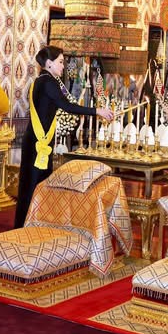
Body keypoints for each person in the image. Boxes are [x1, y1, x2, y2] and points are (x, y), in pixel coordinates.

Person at [14, 46, 114, 228]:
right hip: (39, 143)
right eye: (60, 62)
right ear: (49, 63)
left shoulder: (42, 80)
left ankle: (32, 224)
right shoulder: (48, 82)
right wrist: (97, 111)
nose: (63, 66)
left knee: (35, 185)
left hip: (37, 140)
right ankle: (25, 227)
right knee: (34, 187)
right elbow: (67, 106)